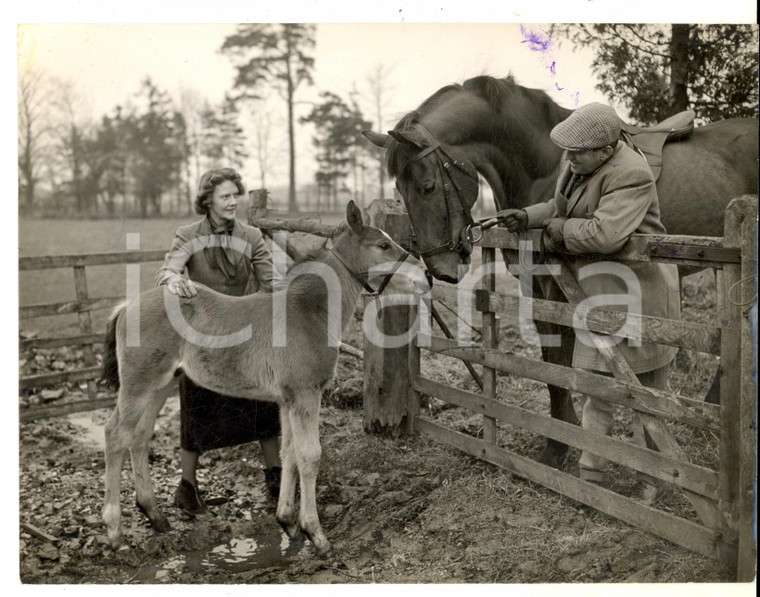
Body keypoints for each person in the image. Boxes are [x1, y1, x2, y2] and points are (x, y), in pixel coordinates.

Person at [501, 102, 680, 503]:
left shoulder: (632, 174)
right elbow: (561, 208)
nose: (569, 157)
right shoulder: (578, 165)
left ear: (605, 148)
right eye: (568, 150)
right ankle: (591, 475)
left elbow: (604, 234)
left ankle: (650, 482)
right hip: (600, 296)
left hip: (641, 298)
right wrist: (528, 216)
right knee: (595, 387)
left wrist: (555, 232)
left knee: (644, 397)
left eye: (577, 151)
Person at [155, 167, 283, 515]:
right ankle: (188, 487)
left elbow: (272, 282)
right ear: (207, 200)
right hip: (202, 338)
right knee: (196, 408)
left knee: (264, 404)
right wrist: (171, 280)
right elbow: (169, 269)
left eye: (235, 195)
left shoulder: (252, 236)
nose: (232, 202)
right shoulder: (188, 234)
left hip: (245, 335)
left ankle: (275, 478)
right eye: (225, 196)